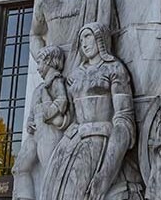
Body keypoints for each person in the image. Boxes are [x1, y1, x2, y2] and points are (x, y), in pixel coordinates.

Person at [39, 23, 143, 200]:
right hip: (71, 144)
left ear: (100, 39)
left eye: (88, 37)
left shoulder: (114, 69)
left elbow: (124, 119)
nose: (84, 43)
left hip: (102, 142)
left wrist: (106, 172)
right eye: (81, 39)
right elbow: (69, 116)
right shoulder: (75, 76)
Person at [12, 46, 70, 200]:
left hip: (49, 134)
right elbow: (31, 114)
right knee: (19, 168)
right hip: (36, 135)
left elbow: (62, 100)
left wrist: (47, 113)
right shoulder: (39, 88)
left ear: (49, 61)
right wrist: (30, 122)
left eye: (40, 63)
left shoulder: (56, 81)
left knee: (49, 172)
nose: (37, 68)